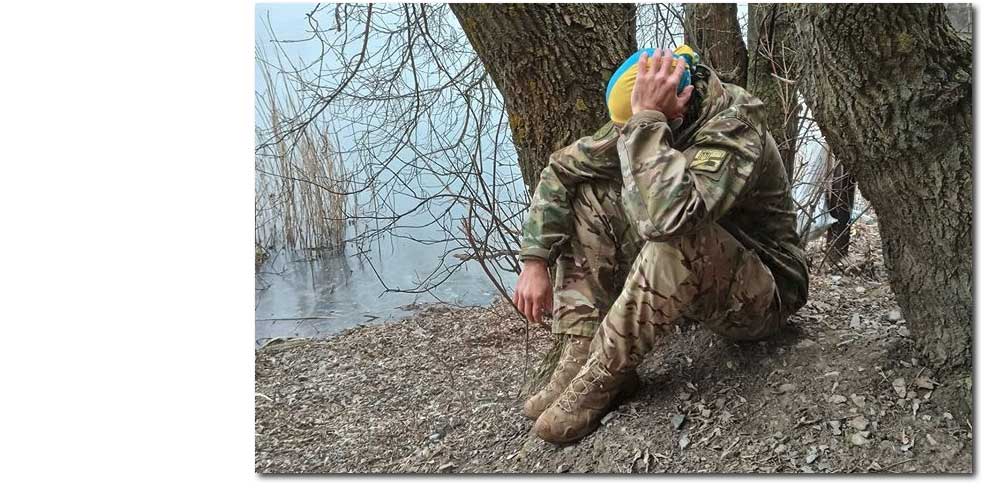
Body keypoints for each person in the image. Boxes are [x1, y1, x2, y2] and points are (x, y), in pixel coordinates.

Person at [512, 48, 809, 444]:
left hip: (764, 295)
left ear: (677, 108)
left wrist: (647, 124)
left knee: (677, 234)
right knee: (590, 196)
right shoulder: (655, 116)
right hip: (705, 272)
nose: (623, 134)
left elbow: (671, 221)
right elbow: (561, 169)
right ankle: (582, 349)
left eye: (636, 123)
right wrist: (534, 260)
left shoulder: (734, 129)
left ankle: (604, 375)